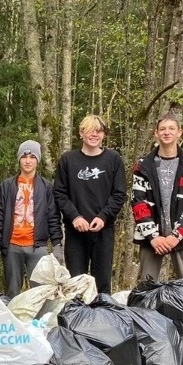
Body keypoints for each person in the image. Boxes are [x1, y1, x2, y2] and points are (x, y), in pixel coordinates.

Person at [53, 115, 127, 293]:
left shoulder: (113, 159)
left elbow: (119, 194)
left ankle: (103, 317)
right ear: (81, 133)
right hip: (76, 232)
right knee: (76, 284)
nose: (94, 135)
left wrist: (104, 217)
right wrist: (75, 217)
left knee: (102, 283)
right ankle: (77, 318)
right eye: (89, 130)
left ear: (103, 135)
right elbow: (60, 193)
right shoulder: (68, 160)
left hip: (103, 231)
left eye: (99, 131)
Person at [131, 113, 183, 281]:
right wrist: (153, 237)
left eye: (171, 128)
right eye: (162, 129)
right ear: (156, 133)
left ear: (180, 132)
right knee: (146, 290)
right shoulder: (143, 165)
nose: (167, 132)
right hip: (151, 238)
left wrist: (176, 235)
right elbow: (138, 202)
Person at [0, 140, 63, 298]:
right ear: (19, 159)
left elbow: (53, 217)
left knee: (40, 294)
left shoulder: (46, 187)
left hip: (38, 247)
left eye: (32, 157)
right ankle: (13, 321)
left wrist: (57, 244)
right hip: (11, 246)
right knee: (12, 292)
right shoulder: (7, 186)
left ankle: (39, 322)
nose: (28, 161)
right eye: (24, 157)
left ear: (38, 159)